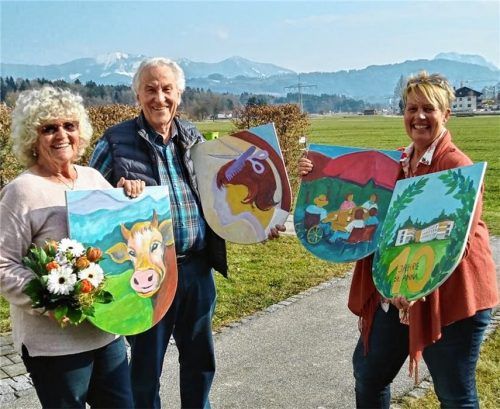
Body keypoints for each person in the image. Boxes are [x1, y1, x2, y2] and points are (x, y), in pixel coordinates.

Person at [90, 57, 284, 409]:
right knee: (145, 368)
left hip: (196, 269)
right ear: (137, 95)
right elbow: (90, 203)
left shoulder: (194, 138)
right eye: (150, 89)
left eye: (167, 89)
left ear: (179, 94)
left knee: (199, 361)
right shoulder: (115, 142)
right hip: (148, 274)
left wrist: (262, 222)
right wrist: (116, 196)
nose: (159, 98)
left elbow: (220, 196)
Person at [299, 71, 498, 408]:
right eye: (412, 108)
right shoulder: (398, 162)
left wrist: (414, 284)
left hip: (453, 295)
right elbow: (352, 185)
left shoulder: (456, 167)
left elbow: (455, 243)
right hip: (395, 289)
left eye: (429, 108)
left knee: (454, 394)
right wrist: (314, 172)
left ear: (446, 114)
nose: (419, 116)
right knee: (369, 374)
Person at [0, 87, 144, 408]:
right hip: (55, 346)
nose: (62, 135)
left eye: (69, 125)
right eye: (49, 128)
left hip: (106, 332)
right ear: (32, 138)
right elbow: (3, 265)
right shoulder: (22, 191)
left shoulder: (93, 178)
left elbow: (118, 241)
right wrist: (51, 300)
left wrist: (129, 198)